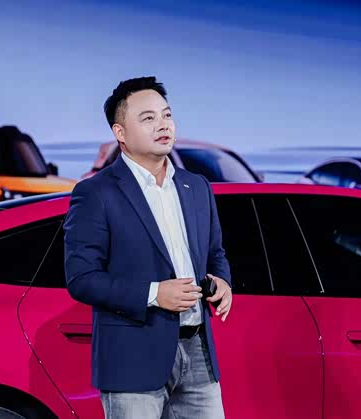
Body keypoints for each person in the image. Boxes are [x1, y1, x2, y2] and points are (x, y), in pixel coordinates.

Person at [63, 76, 233, 419]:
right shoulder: (97, 193)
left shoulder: (197, 186)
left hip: (198, 350)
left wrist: (223, 282)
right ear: (120, 133)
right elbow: (81, 278)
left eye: (167, 115)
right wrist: (155, 294)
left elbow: (216, 253)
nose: (163, 125)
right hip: (133, 356)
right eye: (148, 118)